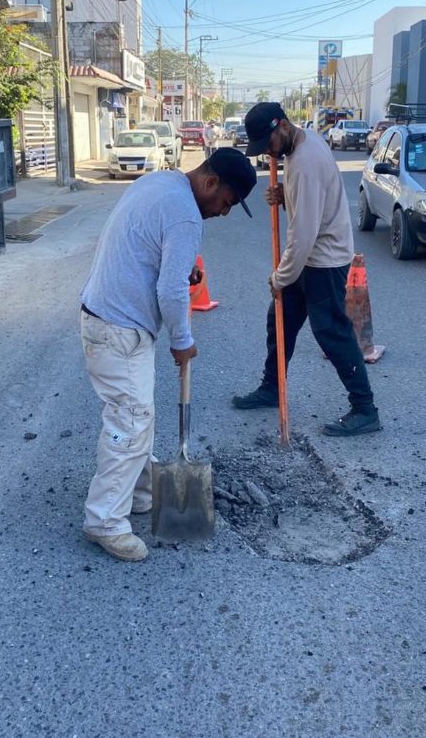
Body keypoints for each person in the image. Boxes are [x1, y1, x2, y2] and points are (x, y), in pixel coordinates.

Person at [79, 147, 257, 562]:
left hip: (103, 316)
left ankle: (141, 491)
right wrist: (182, 341)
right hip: (119, 328)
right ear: (210, 183)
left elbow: (146, 246)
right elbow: (172, 291)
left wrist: (178, 268)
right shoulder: (186, 216)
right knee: (131, 420)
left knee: (136, 414)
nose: (224, 213)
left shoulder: (160, 182)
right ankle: (104, 520)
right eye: (227, 202)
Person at [233, 102, 381, 437]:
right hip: (308, 257)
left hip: (323, 260)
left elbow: (304, 234)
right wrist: (286, 195)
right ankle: (272, 388)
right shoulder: (301, 143)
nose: (269, 153)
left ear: (283, 126)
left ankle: (365, 409)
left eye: (269, 144)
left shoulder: (304, 163)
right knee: (280, 320)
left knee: (332, 332)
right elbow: (312, 203)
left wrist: (280, 278)